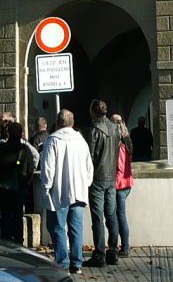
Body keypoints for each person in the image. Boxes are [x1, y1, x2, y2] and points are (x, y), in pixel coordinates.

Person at [40, 109, 93, 276]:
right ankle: (76, 263)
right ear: (72, 122)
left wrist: (46, 187)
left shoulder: (53, 140)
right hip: (79, 191)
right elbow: (89, 167)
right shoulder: (81, 141)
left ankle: (63, 263)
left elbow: (48, 168)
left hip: (59, 192)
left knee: (57, 227)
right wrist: (85, 183)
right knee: (76, 228)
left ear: (57, 122)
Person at [84, 98, 124, 267]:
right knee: (111, 215)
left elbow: (90, 156)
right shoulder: (114, 129)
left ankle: (99, 254)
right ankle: (113, 251)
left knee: (98, 218)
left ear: (94, 112)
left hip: (98, 177)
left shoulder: (94, 130)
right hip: (111, 177)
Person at [0, 121, 36, 244]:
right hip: (18, 189)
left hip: (3, 189)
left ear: (8, 133)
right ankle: (18, 242)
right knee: (18, 217)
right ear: (21, 133)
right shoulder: (25, 149)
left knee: (5, 216)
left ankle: (6, 241)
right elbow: (31, 169)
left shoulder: (1, 148)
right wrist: (25, 184)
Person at [111, 114, 133, 256]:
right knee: (121, 215)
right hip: (127, 183)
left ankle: (125, 247)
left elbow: (119, 167)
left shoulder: (120, 147)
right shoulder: (128, 142)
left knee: (119, 216)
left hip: (119, 184)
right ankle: (124, 246)